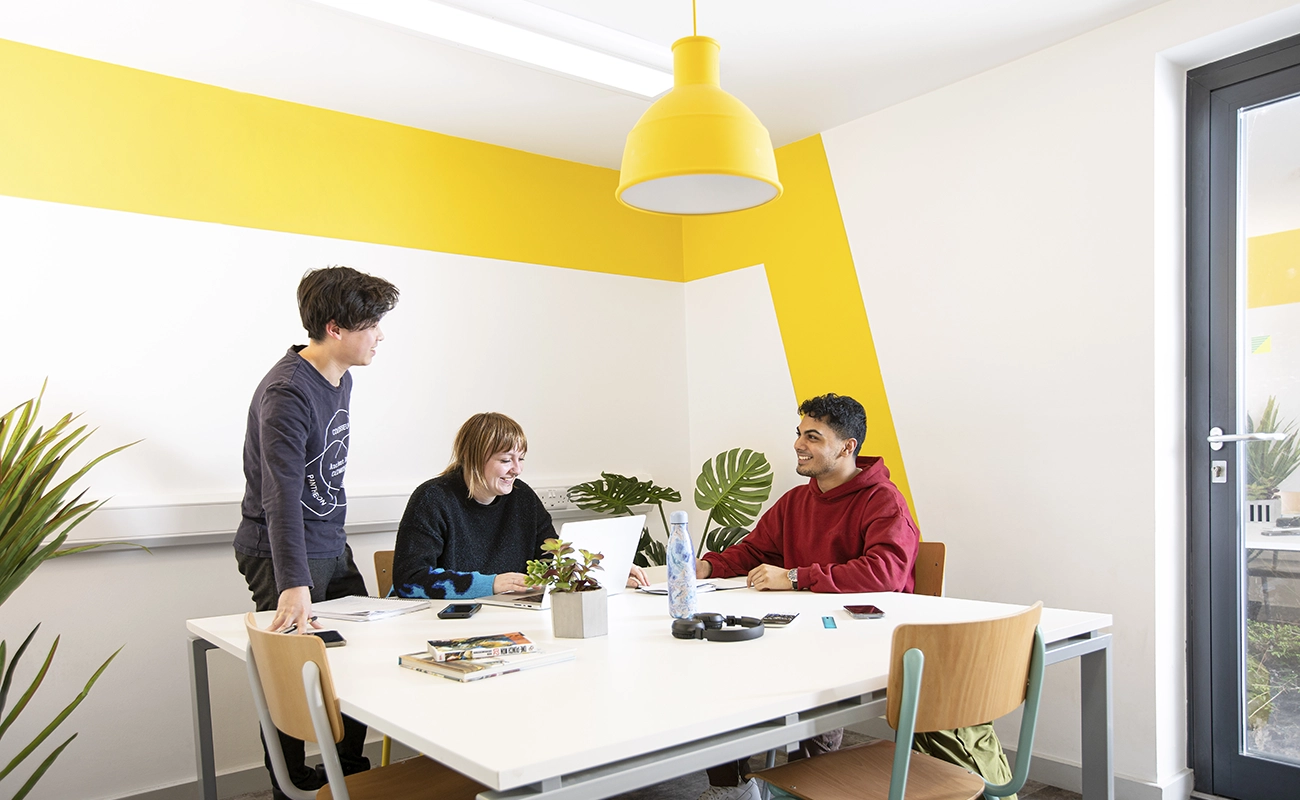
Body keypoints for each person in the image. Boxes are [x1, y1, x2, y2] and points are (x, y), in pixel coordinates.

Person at [694, 393, 1016, 800]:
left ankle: (810, 784)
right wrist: (705, 566)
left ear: (848, 447)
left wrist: (796, 577)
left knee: (810, 669)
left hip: (862, 641)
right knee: (721, 662)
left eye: (813, 436)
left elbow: (884, 572)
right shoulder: (796, 500)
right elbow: (755, 551)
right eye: (798, 434)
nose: (798, 444)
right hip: (802, 630)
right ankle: (730, 789)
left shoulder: (883, 501)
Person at [232, 265, 398, 800]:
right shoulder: (287, 392)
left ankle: (347, 770)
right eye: (371, 324)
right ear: (335, 328)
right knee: (290, 673)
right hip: (279, 550)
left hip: (329, 543)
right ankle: (291, 785)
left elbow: (321, 480)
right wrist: (294, 583)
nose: (379, 336)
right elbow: (280, 498)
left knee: (360, 655)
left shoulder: (340, 378)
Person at [392, 412, 647, 599]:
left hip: (504, 617)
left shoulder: (522, 497)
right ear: (472, 459)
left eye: (521, 459)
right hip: (436, 624)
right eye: (505, 460)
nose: (517, 469)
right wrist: (491, 584)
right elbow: (409, 580)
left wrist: (599, 575)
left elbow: (552, 557)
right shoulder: (433, 499)